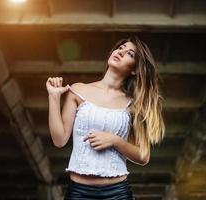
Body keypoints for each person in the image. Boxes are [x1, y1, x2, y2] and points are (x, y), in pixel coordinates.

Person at [46, 36, 165, 199]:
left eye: (130, 54)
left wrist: (115, 141)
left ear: (135, 70)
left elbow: (143, 156)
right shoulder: (78, 90)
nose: (121, 52)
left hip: (118, 193)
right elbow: (59, 140)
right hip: (79, 193)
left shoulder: (133, 105)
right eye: (121, 48)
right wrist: (53, 97)